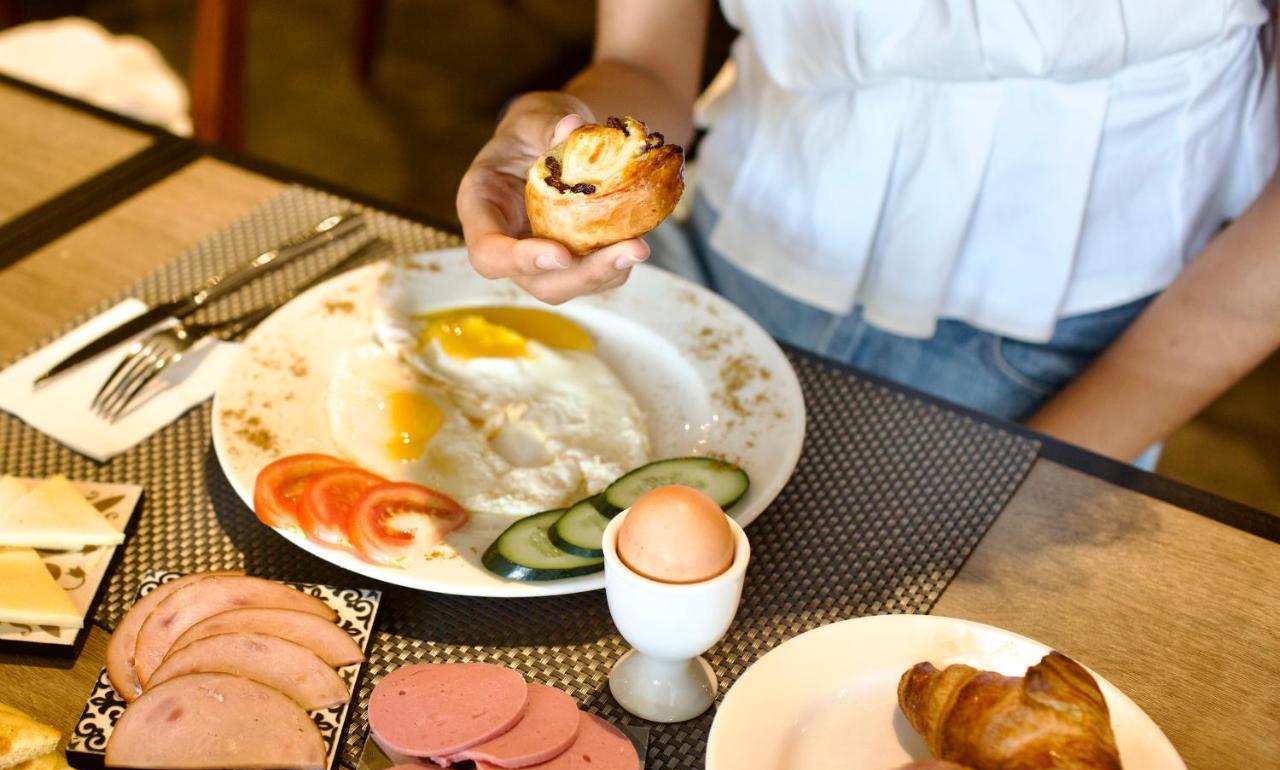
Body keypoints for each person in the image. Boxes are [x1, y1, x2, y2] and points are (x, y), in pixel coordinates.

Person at [457, 1, 1280, 462]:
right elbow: (646, 60)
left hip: (1062, 373)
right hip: (710, 272)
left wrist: (1055, 457)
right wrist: (558, 132)